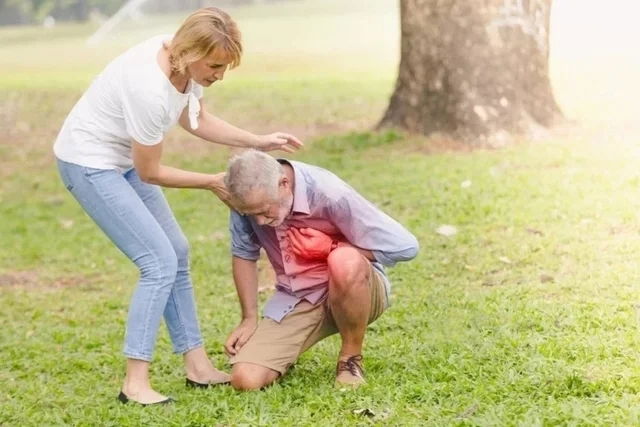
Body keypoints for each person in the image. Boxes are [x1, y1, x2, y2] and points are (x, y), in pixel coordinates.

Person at [53, 8, 302, 405]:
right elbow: (149, 171)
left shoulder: (181, 64)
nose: (220, 75)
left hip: (122, 161)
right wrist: (211, 182)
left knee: (178, 252)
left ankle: (197, 366)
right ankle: (134, 383)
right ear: (191, 52)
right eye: (216, 65)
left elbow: (196, 120)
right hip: (89, 164)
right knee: (157, 262)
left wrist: (258, 140)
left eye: (225, 67)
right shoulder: (148, 88)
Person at [222, 150, 419, 390]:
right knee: (245, 380)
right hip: (298, 299)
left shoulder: (329, 192)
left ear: (284, 183)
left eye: (265, 210)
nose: (261, 221)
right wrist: (248, 318)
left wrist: (331, 246)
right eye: (252, 214)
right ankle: (285, 350)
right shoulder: (246, 200)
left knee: (343, 259)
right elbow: (244, 253)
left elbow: (405, 246)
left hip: (357, 288)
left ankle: (350, 360)